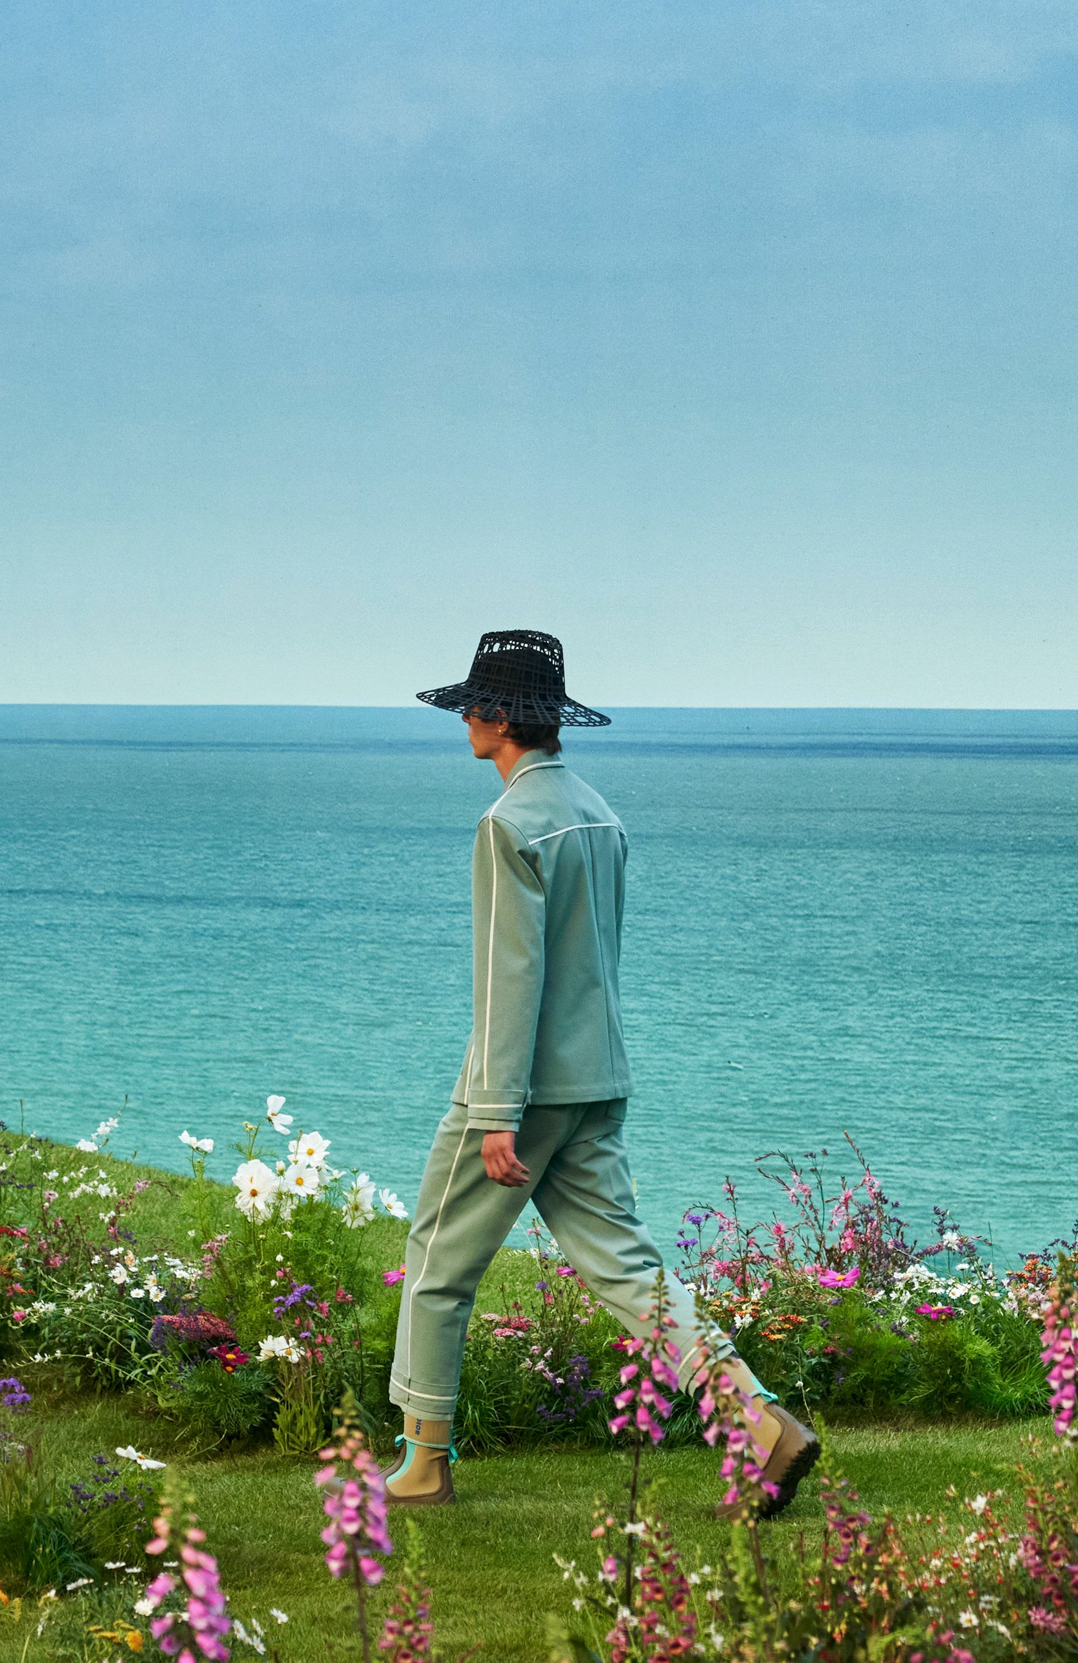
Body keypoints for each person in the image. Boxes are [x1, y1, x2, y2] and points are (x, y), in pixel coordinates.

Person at [384, 629, 819, 1515]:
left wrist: (498, 1109)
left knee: (435, 1264)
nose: (465, 717)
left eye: (475, 704)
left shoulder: (508, 824)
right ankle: (758, 1419)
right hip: (598, 1080)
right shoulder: (600, 814)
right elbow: (593, 962)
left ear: (503, 718)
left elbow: (515, 974)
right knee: (624, 1266)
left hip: (521, 1091)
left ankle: (423, 1463)